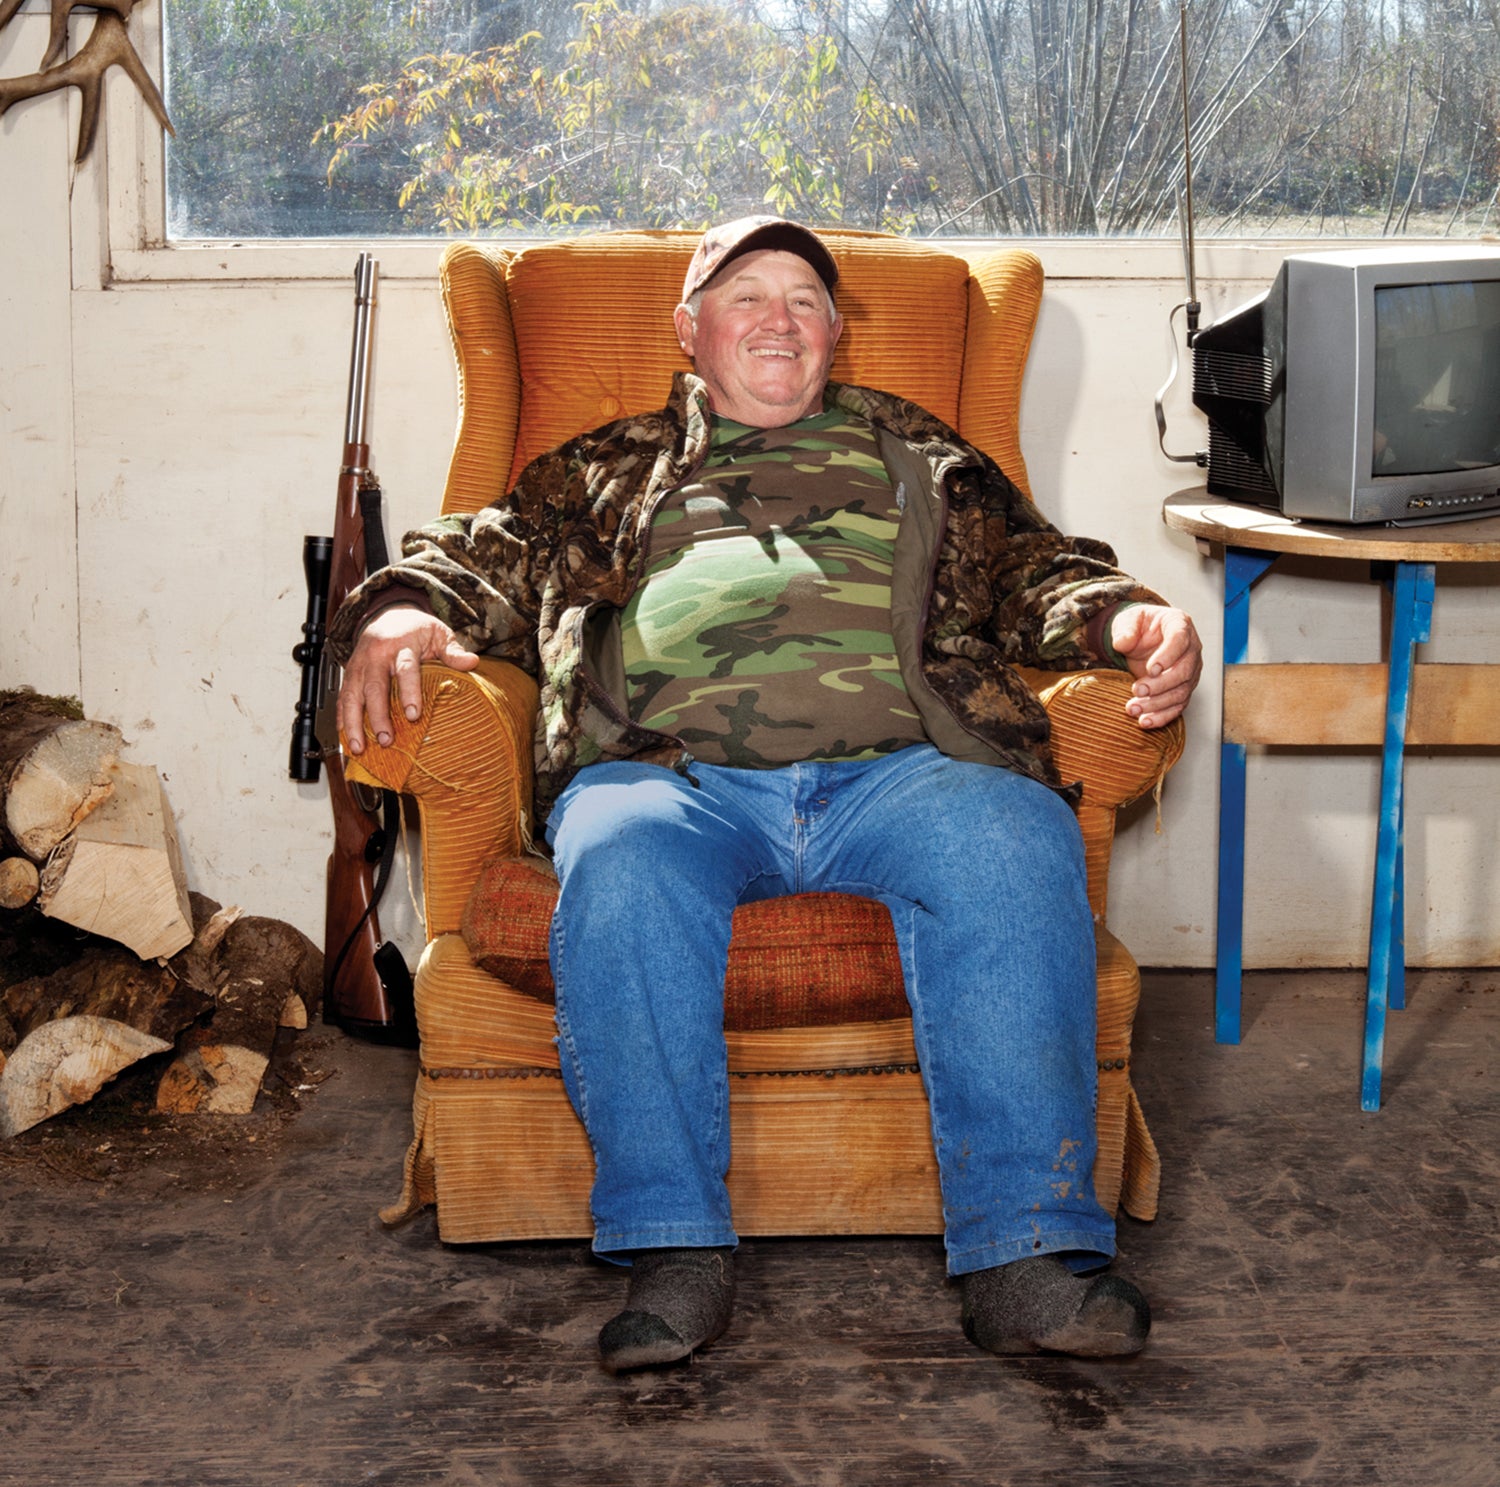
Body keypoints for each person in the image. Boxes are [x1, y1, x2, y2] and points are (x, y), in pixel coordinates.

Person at [330, 216, 1202, 1374]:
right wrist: (395, 609)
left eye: (804, 298)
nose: (778, 318)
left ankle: (1027, 1255)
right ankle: (674, 1244)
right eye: (746, 294)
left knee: (1015, 834)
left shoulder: (926, 459)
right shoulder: (607, 466)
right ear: (690, 330)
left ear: (836, 334)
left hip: (910, 772)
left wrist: (1127, 615)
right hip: (672, 777)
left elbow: (1040, 568)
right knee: (621, 860)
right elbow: (475, 554)